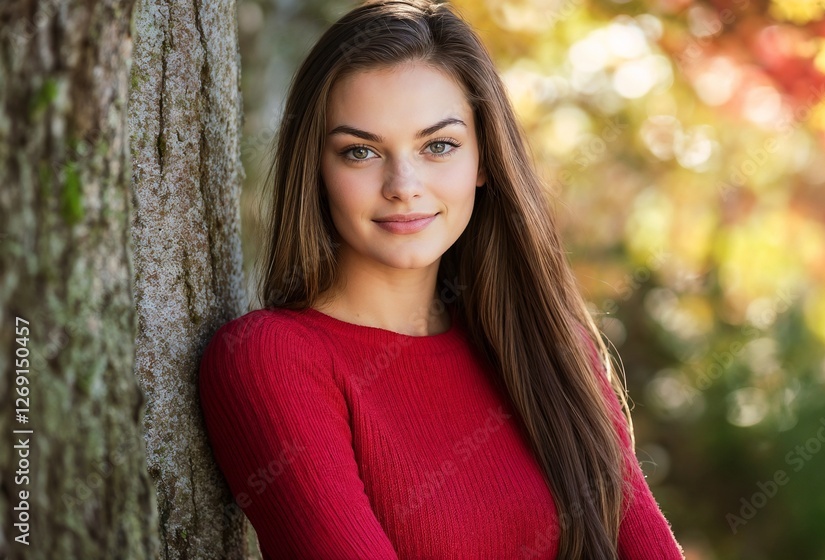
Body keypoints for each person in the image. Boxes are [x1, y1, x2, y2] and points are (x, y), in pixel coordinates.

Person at [197, 1, 686, 558]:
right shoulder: (271, 361)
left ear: (483, 160)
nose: (403, 184)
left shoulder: (552, 348)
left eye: (439, 146)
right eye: (359, 152)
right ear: (317, 169)